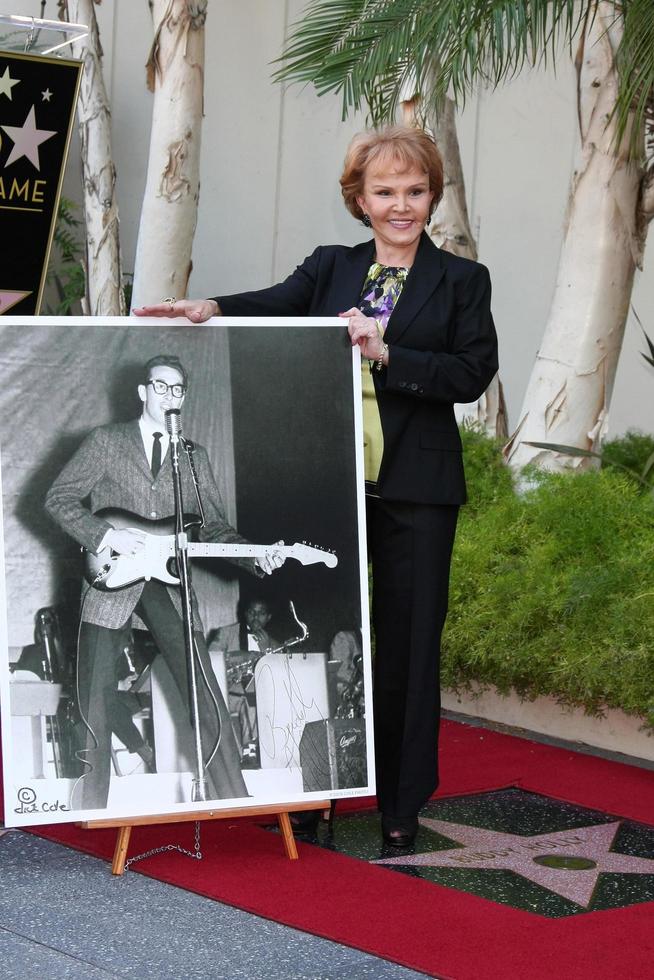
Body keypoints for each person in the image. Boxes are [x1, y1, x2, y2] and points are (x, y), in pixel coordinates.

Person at [134, 126, 499, 846]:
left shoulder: (463, 280)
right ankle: (314, 789)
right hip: (328, 481)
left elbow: (471, 373)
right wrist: (210, 306)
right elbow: (275, 303)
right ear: (359, 200)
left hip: (417, 489)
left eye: (415, 191)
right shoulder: (331, 266)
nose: (402, 205)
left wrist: (389, 350)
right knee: (320, 637)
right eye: (386, 192)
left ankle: (400, 805)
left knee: (408, 646)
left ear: (432, 195)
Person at [45, 354, 284, 811]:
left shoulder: (192, 457)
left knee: (204, 695)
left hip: (169, 584)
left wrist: (257, 556)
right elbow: (59, 498)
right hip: (110, 579)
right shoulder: (106, 441)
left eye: (178, 390)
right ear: (143, 391)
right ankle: (91, 813)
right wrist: (105, 534)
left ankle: (236, 802)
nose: (169, 396)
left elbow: (213, 527)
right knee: (94, 702)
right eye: (161, 386)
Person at [209, 597, 280, 755]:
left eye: (261, 613)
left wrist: (266, 650)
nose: (255, 617)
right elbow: (211, 658)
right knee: (251, 701)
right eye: (251, 612)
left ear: (268, 617)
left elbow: (278, 673)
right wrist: (245, 656)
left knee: (254, 700)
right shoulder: (226, 633)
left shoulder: (273, 643)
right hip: (226, 692)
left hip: (257, 695)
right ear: (244, 613)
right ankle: (248, 751)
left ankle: (251, 752)